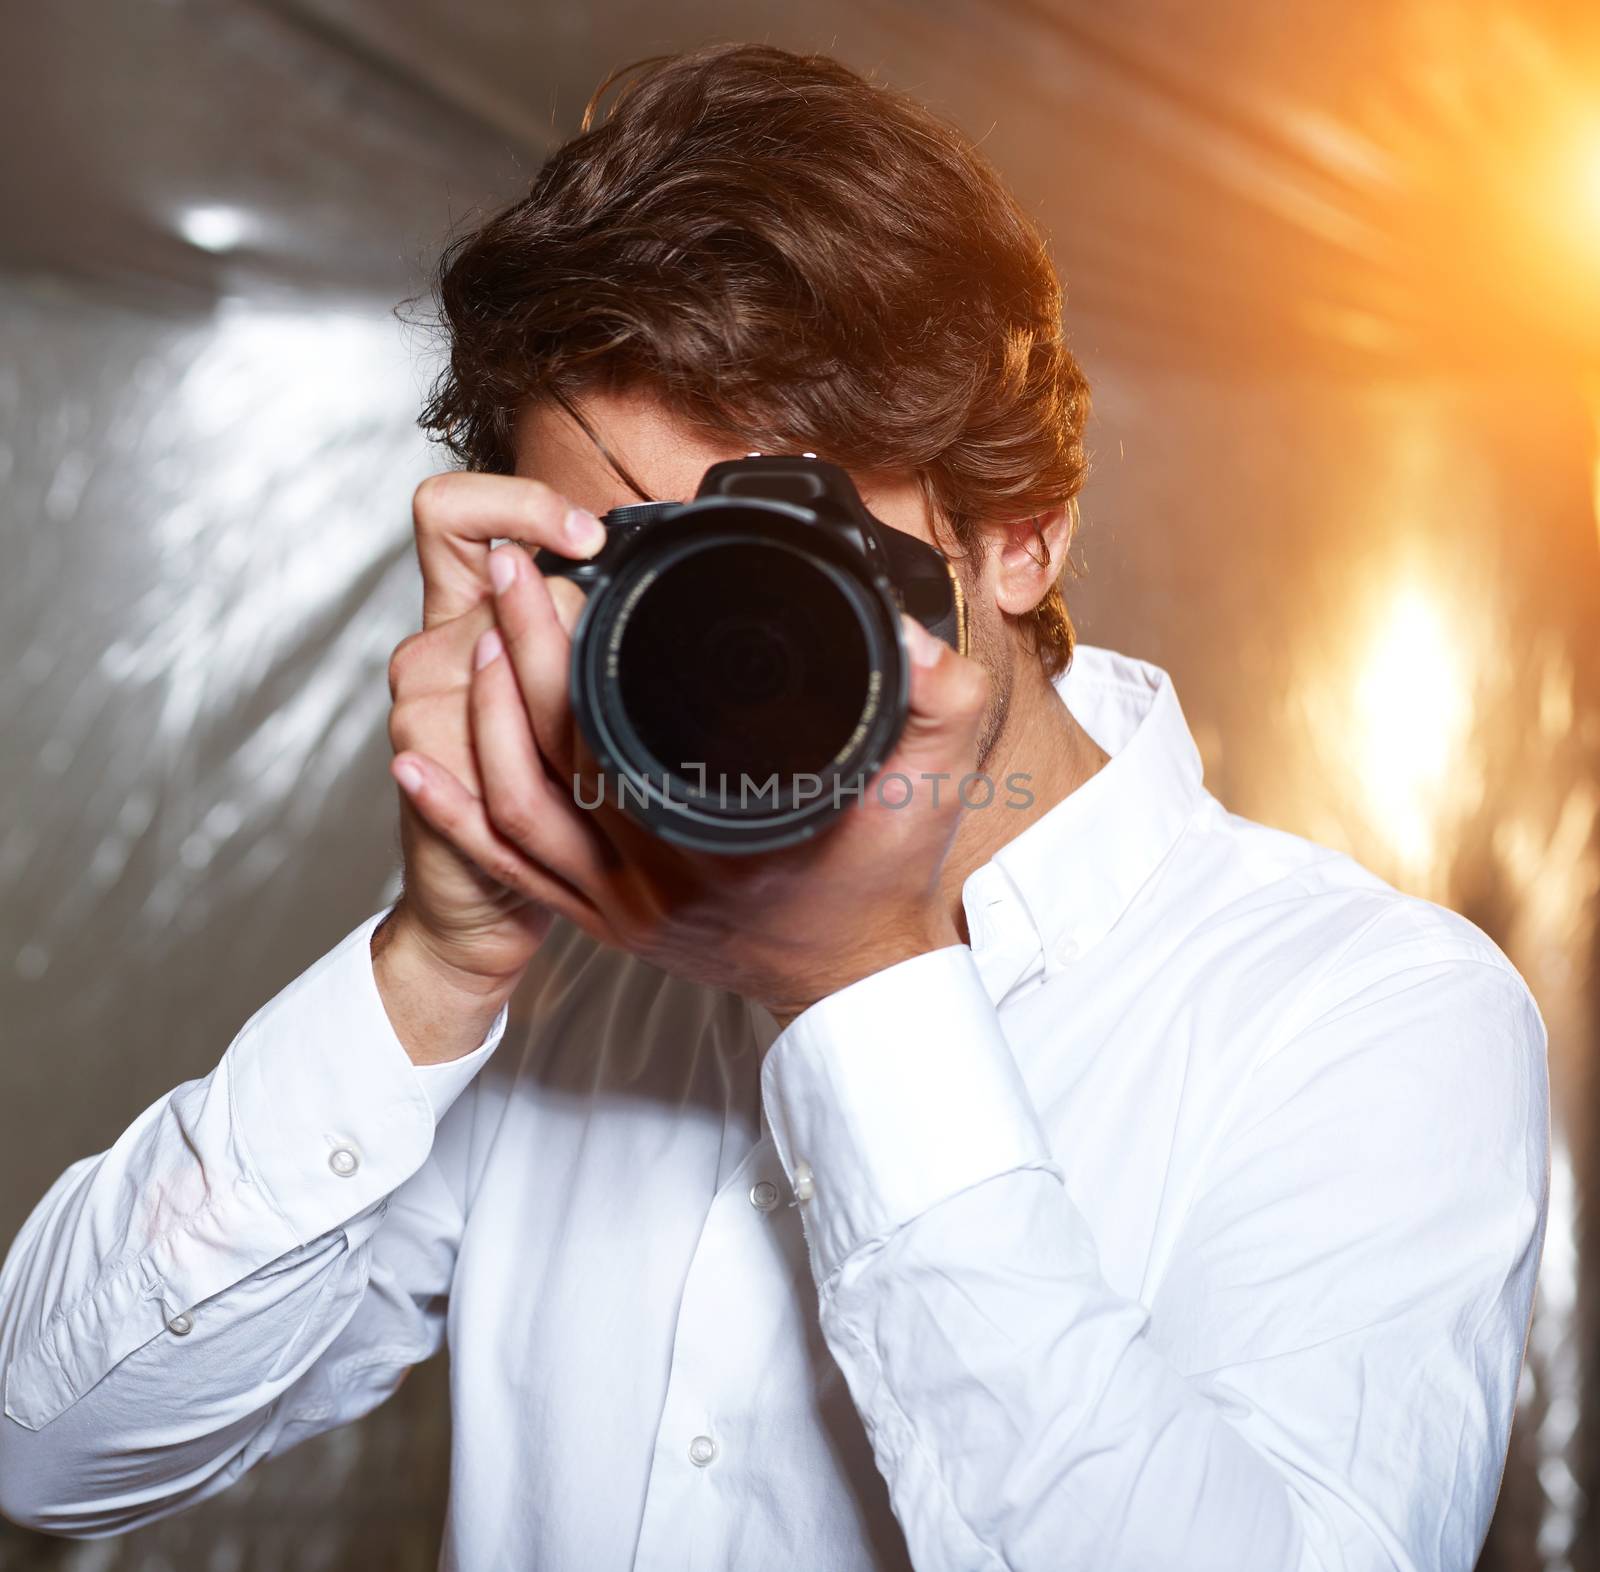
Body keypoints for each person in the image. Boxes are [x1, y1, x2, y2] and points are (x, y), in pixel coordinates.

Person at [0, 43, 1549, 1572]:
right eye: (637, 568)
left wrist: (858, 986)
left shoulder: (1370, 1015)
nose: (713, 636)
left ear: (1020, 537)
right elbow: (47, 1451)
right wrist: (437, 957)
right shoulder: (566, 975)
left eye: (776, 555)